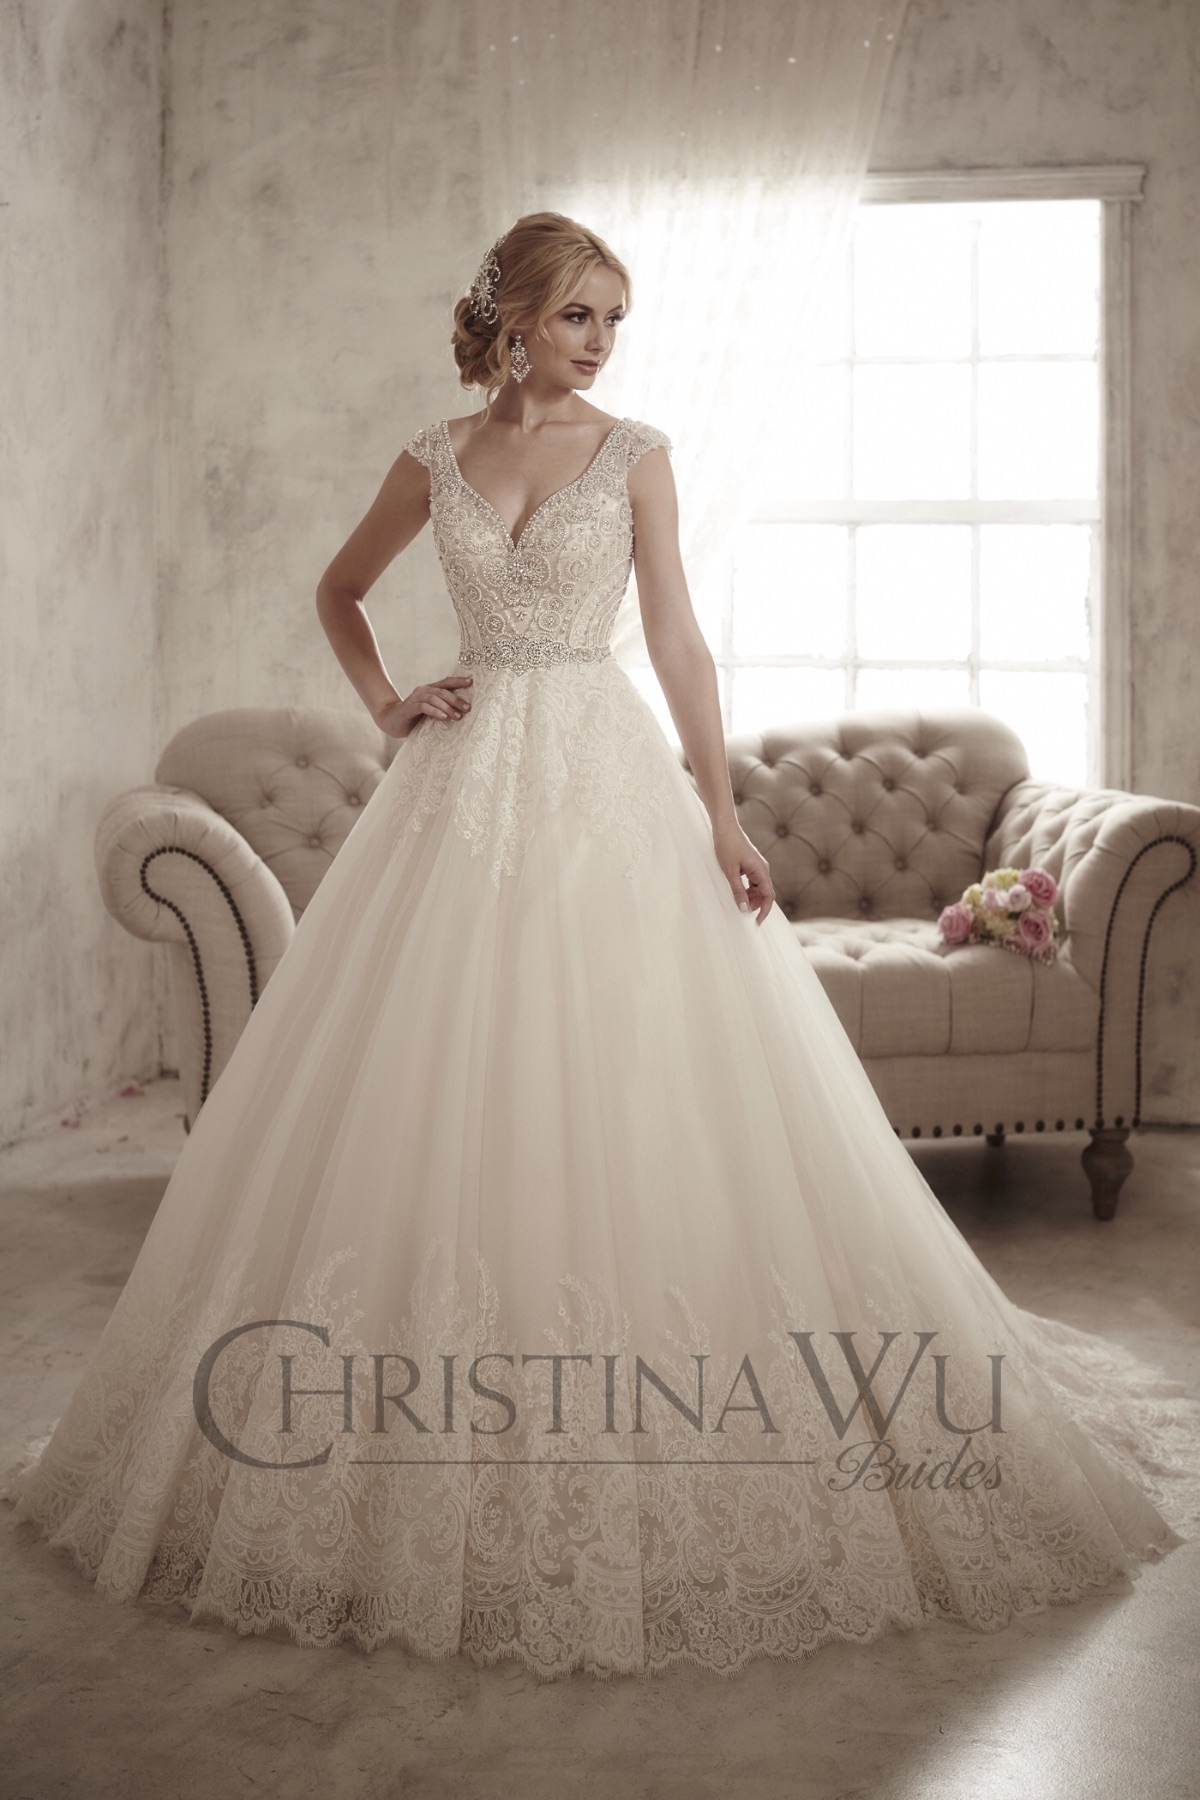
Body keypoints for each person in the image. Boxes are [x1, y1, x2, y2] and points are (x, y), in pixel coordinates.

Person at [8, 213, 1198, 1682]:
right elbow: (337, 590)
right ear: (512, 317)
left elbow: (680, 640)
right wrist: (387, 704)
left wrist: (724, 816)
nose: (601, 343)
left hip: (605, 781)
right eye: (579, 314)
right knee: (436, 1078)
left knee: (625, 1072)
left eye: (615, 319)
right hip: (457, 789)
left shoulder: (637, 453)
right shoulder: (434, 456)